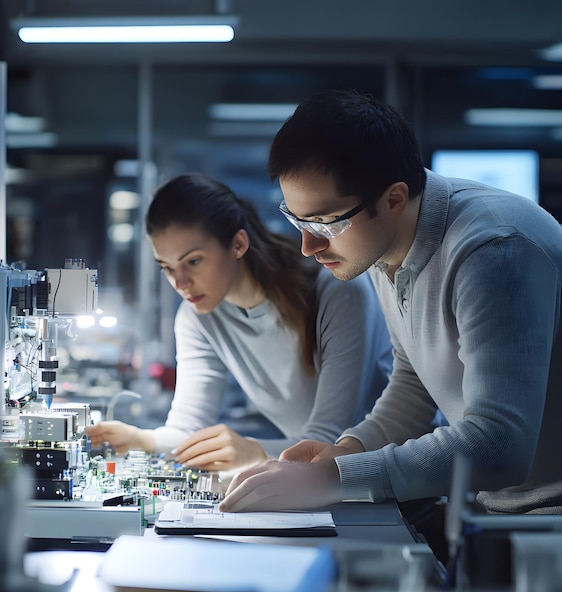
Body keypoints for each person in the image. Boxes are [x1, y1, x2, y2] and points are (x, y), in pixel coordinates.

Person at [219, 89, 562, 531]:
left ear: (394, 199)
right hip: (504, 512)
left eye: (325, 222)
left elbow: (500, 445)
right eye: (298, 220)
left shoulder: (493, 250)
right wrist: (347, 452)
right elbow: (414, 383)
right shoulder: (384, 245)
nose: (309, 246)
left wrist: (336, 479)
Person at [86, 173, 393, 471]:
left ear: (238, 244)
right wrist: (142, 439)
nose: (180, 282)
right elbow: (186, 428)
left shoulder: (334, 290)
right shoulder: (197, 317)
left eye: (193, 261)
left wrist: (254, 452)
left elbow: (330, 439)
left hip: (384, 472)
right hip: (314, 477)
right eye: (167, 267)